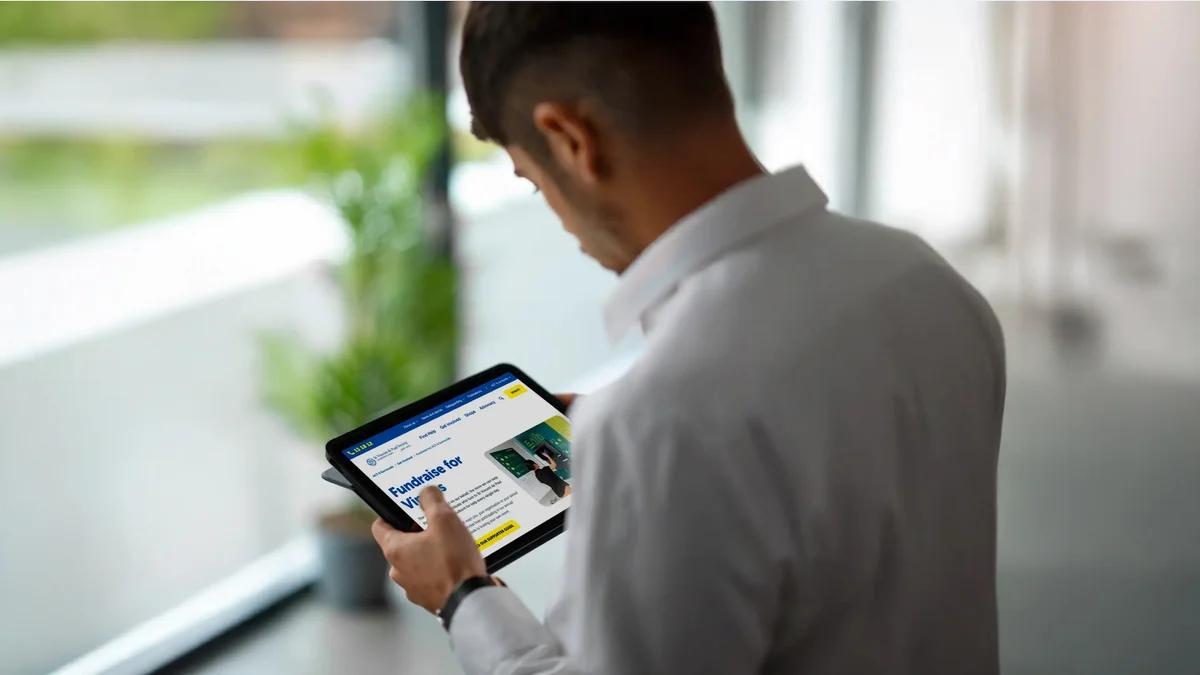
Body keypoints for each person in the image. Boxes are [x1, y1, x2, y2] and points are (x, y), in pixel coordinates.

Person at [371, 3, 1005, 675]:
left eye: (534, 183)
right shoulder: (926, 280)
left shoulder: (660, 421)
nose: (557, 216)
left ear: (571, 139)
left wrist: (463, 594)